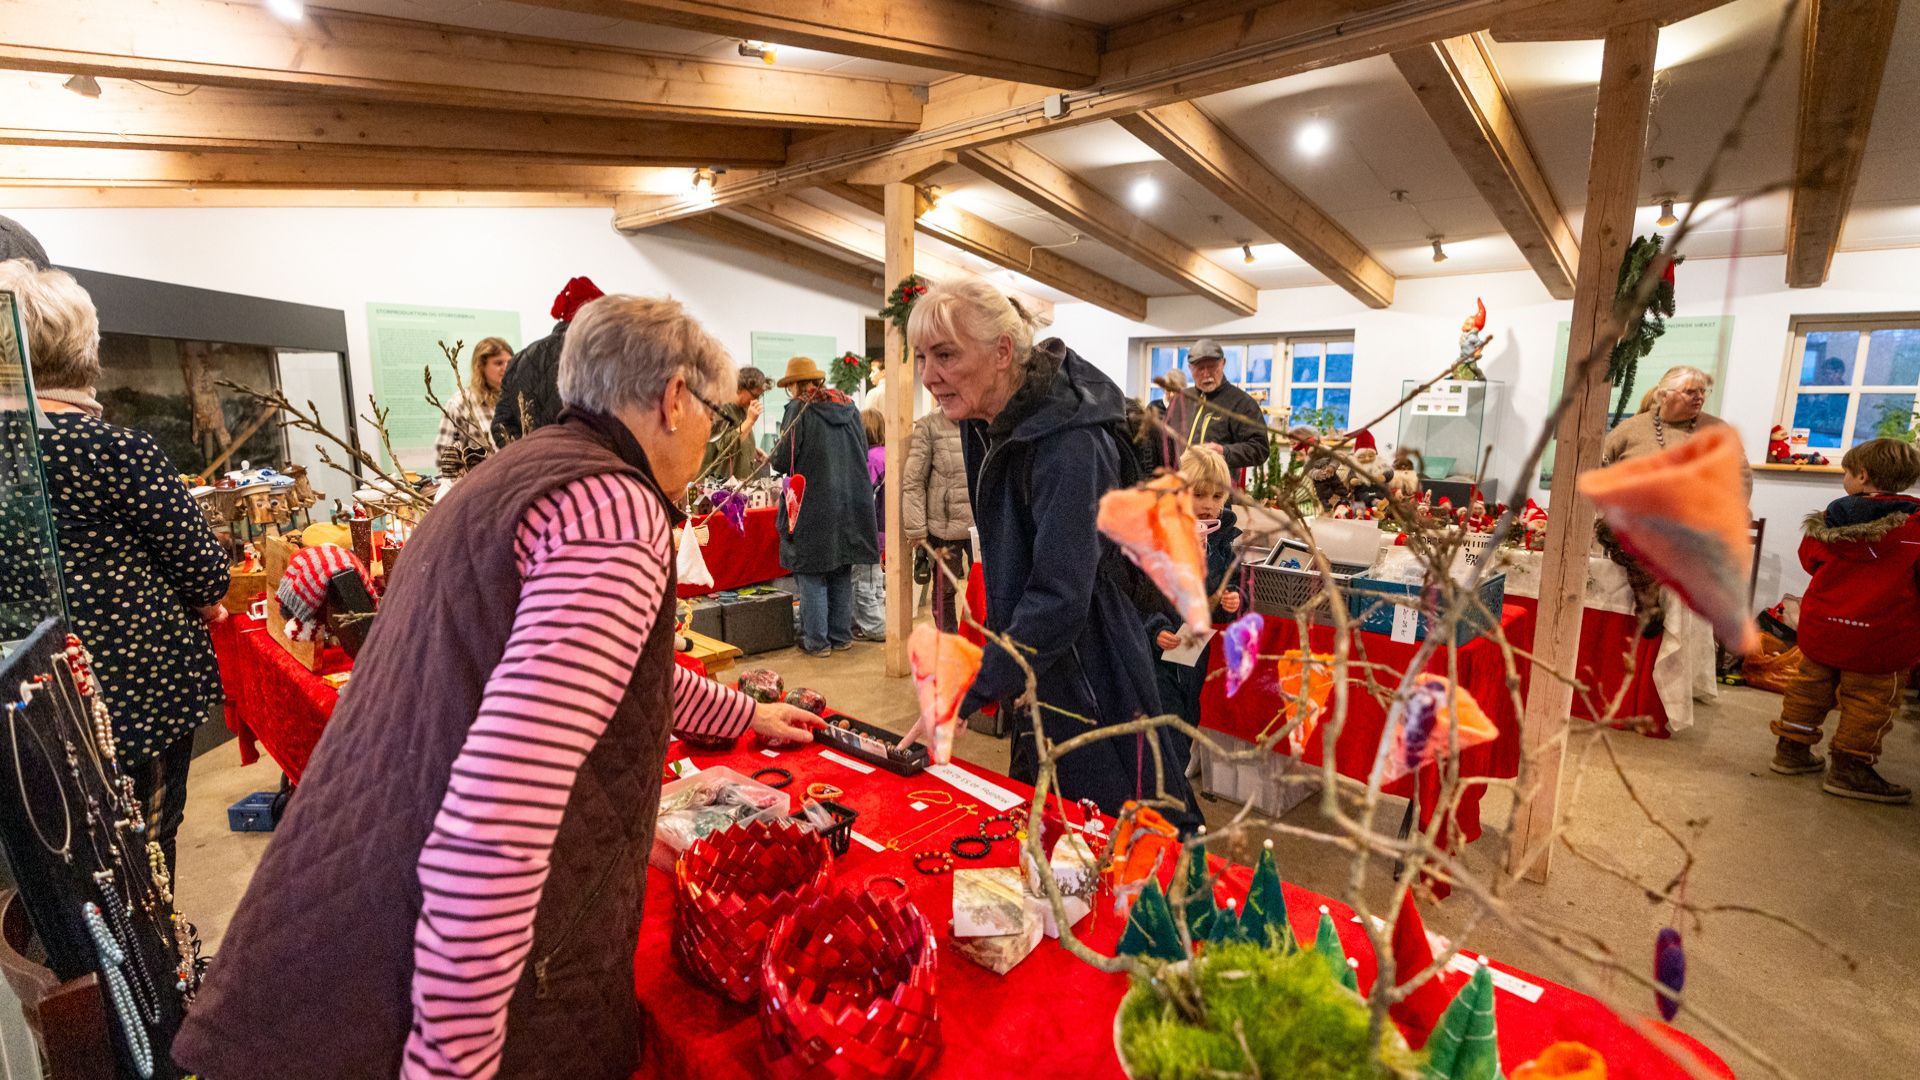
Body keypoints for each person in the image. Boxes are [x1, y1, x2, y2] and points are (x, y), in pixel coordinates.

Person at [173, 295, 825, 1080]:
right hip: (417, 973)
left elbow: (619, 675)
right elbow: (498, 812)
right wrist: (453, 1062)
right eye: (714, 416)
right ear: (676, 399)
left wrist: (747, 711)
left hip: (348, 918)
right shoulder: (615, 513)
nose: (708, 439)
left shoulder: (522, 472)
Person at [902, 275, 1196, 817]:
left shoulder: (1070, 442)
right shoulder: (983, 419)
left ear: (1003, 353)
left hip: (1092, 661)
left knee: (1108, 827)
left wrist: (970, 687)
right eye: (921, 357)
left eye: (945, 355)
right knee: (1045, 819)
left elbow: (1061, 595)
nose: (928, 376)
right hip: (1042, 654)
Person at [0, 259, 229, 876]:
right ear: (83, 348)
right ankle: (155, 972)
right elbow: (206, 573)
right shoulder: (115, 449)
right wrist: (207, 598)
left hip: (24, 708)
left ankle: (81, 970)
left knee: (54, 866)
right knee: (143, 855)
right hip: (135, 696)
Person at [1767, 438, 1920, 803]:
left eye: (1847, 472)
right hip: (1881, 635)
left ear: (1862, 476)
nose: (1845, 478)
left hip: (1823, 628)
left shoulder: (1828, 522)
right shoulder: (1915, 528)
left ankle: (1791, 750)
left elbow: (1809, 560)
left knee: (1809, 690)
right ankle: (1850, 768)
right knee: (1870, 702)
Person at [1598, 365, 1751, 631]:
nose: (1699, 397)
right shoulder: (1629, 430)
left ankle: (1648, 601)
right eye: (1690, 392)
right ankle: (1648, 597)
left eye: (1703, 391)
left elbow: (1740, 480)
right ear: (1664, 395)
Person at [1142, 447, 1243, 796]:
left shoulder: (1221, 537)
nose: (1208, 504)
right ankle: (1163, 795)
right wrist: (1154, 629)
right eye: (1198, 494)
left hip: (1193, 645)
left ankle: (1172, 789)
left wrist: (1229, 598)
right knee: (1160, 723)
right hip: (1157, 648)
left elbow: (1224, 585)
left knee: (1186, 718)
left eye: (1217, 496)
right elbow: (1139, 596)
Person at [770, 356, 879, 656]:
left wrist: (771, 454)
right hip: (851, 501)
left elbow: (783, 460)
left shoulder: (799, 408)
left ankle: (817, 642)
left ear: (795, 384)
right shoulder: (848, 405)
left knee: (812, 572)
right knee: (841, 568)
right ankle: (841, 637)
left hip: (814, 501)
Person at [490, 274, 604, 442]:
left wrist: (527, 455)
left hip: (532, 463)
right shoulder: (595, 356)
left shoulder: (519, 359)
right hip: (587, 462)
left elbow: (501, 424)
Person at [903, 408, 975, 632]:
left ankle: (983, 645)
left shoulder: (982, 419)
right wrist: (916, 529)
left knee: (989, 588)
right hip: (945, 529)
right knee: (945, 592)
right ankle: (948, 645)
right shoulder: (929, 426)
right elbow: (914, 480)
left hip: (980, 525)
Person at [1164, 338, 1270, 475]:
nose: (1206, 374)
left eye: (1212, 367)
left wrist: (1224, 451)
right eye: (1200, 368)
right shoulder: (1180, 400)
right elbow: (1163, 439)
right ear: (1190, 368)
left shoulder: (1241, 402)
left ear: (1223, 364)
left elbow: (1260, 448)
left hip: (1218, 491)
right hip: (1179, 487)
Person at [434, 335, 512, 478]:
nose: (505, 368)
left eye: (509, 362)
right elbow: (446, 463)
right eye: (498, 363)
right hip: (480, 490)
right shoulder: (460, 404)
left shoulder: (517, 400)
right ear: (481, 366)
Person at [850, 408, 888, 641]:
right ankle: (877, 622)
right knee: (875, 582)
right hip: (884, 531)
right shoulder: (887, 455)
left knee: (864, 582)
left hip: (869, 532)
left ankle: (877, 627)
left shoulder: (870, 461)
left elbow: (863, 499)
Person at [699, 365, 769, 482]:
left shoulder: (743, 409)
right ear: (740, 387)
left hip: (739, 487)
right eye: (755, 395)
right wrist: (750, 421)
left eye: (759, 396)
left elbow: (738, 436)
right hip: (718, 489)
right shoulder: (720, 407)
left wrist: (751, 449)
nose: (756, 400)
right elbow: (724, 446)